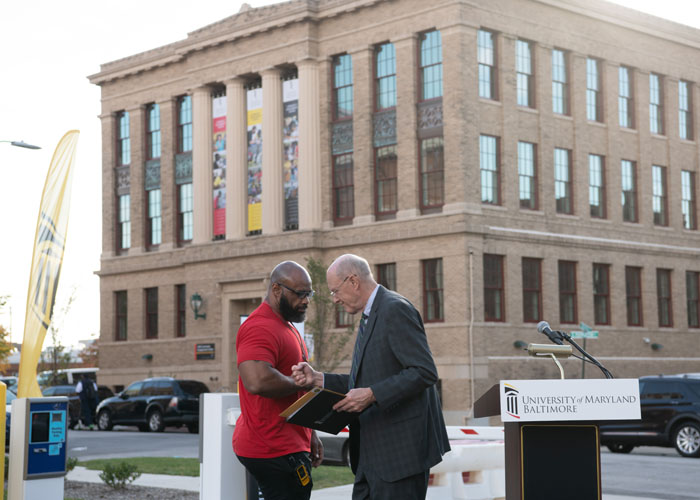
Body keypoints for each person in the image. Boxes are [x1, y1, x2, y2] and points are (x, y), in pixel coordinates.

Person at [292, 254, 450, 500]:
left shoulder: (395, 309)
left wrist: (372, 395)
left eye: (335, 291)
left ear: (353, 281)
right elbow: (367, 380)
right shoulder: (371, 314)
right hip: (370, 457)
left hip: (399, 458)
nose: (334, 299)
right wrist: (318, 379)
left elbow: (424, 372)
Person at [233, 261, 324, 500]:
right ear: (276, 289)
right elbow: (257, 381)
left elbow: (295, 388)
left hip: (290, 444)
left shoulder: (286, 325)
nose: (306, 300)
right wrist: (302, 383)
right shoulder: (259, 327)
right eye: (300, 294)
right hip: (271, 448)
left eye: (309, 294)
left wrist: (310, 434)